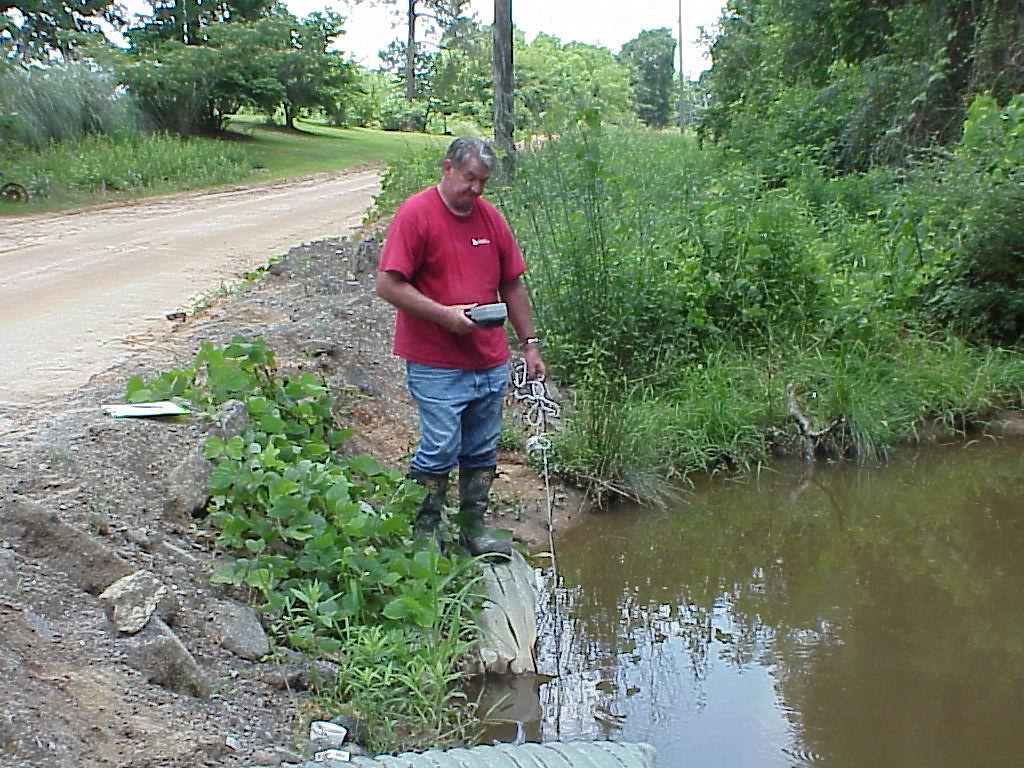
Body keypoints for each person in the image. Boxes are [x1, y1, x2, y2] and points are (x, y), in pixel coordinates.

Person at [376, 137, 545, 559]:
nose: (477, 190)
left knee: (482, 448)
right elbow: (388, 285)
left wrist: (530, 344)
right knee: (440, 446)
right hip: (435, 359)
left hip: (488, 359)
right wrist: (445, 315)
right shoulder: (416, 215)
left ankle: (473, 530)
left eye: (484, 181)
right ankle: (424, 532)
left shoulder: (490, 220)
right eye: (470, 178)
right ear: (447, 168)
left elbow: (512, 284)